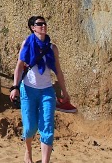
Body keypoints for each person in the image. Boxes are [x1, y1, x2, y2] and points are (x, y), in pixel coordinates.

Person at [9, 16, 73, 163]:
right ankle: (28, 152)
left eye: (44, 23)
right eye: (39, 24)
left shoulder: (52, 48)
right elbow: (19, 66)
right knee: (30, 128)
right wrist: (15, 87)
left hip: (47, 91)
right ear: (33, 27)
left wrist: (64, 91)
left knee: (48, 129)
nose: (43, 26)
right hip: (28, 90)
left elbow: (58, 71)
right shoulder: (27, 43)